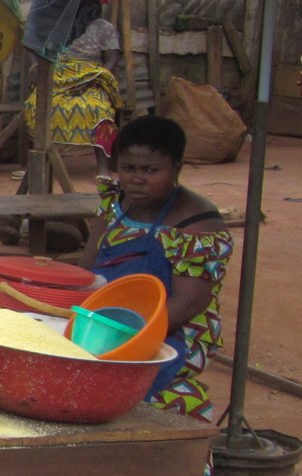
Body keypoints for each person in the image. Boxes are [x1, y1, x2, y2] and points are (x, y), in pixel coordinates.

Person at [83, 115, 233, 423]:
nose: (137, 178)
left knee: (137, 395)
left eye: (151, 170)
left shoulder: (196, 222)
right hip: (110, 320)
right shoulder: (116, 203)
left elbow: (190, 302)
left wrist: (129, 338)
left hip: (173, 329)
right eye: (128, 168)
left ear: (177, 167)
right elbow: (88, 268)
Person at [23, 0, 123, 146]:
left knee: (96, 109)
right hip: (56, 76)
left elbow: (112, 60)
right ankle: (40, 161)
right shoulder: (54, 24)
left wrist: (93, 79)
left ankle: (102, 167)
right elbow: (30, 41)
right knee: (37, 107)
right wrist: (35, 66)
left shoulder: (104, 27)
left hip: (91, 78)